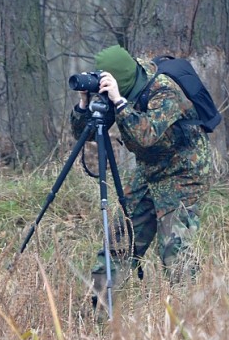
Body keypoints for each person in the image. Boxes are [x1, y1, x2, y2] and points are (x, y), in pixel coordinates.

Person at [70, 44, 211, 303]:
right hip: (149, 171)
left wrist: (119, 102)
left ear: (122, 80)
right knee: (119, 238)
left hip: (183, 172)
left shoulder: (164, 90)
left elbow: (145, 135)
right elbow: (86, 135)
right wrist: (84, 104)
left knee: (173, 248)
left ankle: (193, 316)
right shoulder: (117, 87)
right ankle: (98, 311)